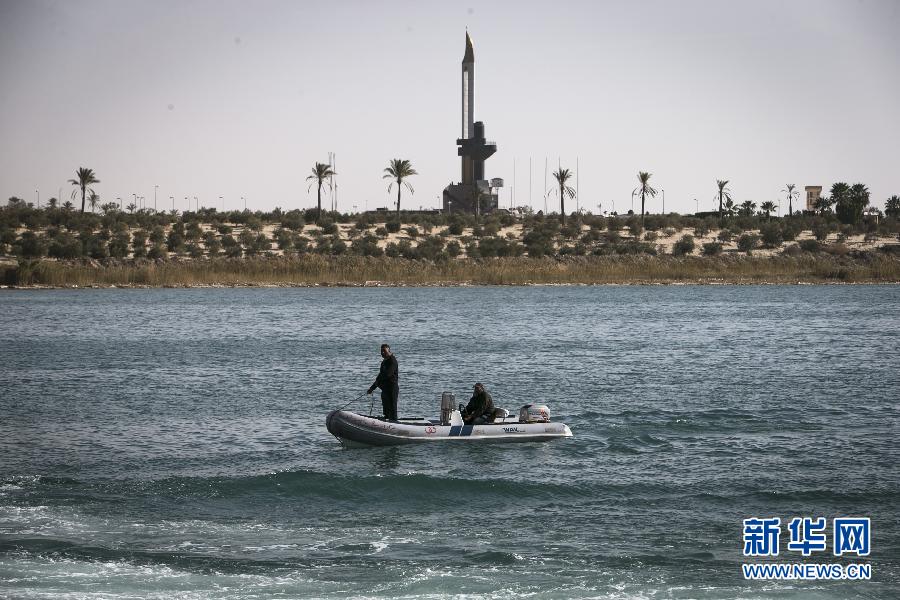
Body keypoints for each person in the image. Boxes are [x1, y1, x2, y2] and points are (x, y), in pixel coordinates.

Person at [367, 344, 399, 421]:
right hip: (384, 389)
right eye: (381, 351)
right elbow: (380, 376)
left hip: (392, 388)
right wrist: (372, 388)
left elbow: (388, 374)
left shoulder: (392, 361)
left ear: (389, 351)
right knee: (386, 409)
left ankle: (394, 422)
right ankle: (386, 420)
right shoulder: (384, 362)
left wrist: (379, 382)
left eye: (384, 351)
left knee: (392, 408)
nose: (382, 353)